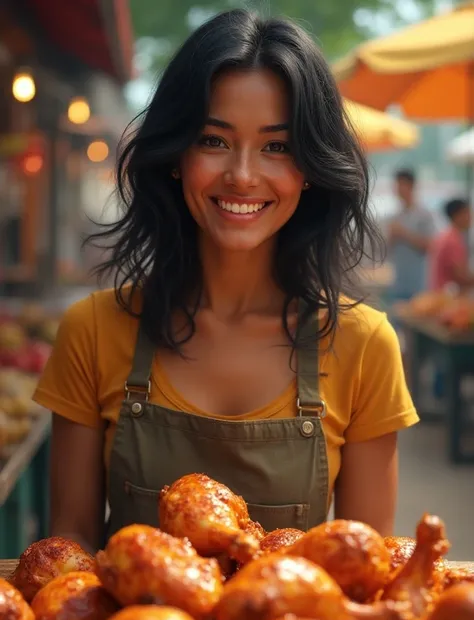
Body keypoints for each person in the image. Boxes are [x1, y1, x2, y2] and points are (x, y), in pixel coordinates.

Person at [33, 9, 419, 551]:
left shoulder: (364, 344)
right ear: (175, 157)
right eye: (214, 140)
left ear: (309, 169)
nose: (242, 173)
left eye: (277, 147)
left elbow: (367, 570)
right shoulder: (92, 330)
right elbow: (66, 549)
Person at [387, 168, 436, 302]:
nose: (398, 189)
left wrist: (403, 233)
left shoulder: (424, 214)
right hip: (399, 281)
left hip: (419, 282)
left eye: (401, 185)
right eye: (396, 185)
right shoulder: (396, 215)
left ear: (411, 186)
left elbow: (429, 246)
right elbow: (389, 249)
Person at [429, 198, 473, 293]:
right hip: (448, 297)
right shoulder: (453, 240)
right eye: (467, 213)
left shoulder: (445, 235)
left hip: (439, 292)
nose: (470, 217)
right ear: (458, 215)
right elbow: (461, 276)